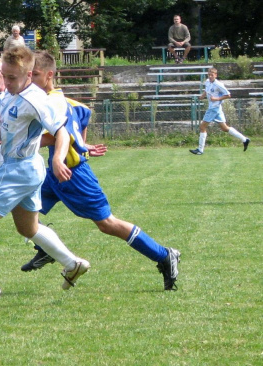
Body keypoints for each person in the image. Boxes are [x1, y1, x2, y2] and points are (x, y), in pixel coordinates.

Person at [21, 50, 181, 292]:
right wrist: (82, 144)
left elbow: (55, 136)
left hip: (73, 175)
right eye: (29, 74)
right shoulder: (61, 100)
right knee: (23, 212)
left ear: (49, 75)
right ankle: (46, 249)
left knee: (107, 224)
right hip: (55, 174)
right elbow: (84, 112)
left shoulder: (52, 102)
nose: (30, 79)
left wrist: (22, 141)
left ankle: (164, 255)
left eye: (35, 74)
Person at [0, 46, 89, 311]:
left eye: (11, 77)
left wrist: (57, 159)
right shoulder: (13, 94)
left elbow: (62, 131)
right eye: (4, 76)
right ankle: (72, 263)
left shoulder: (35, 99)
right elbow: (10, 129)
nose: (5, 82)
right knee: (28, 229)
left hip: (17, 170)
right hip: (27, 169)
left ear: (29, 74)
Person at [190, 67, 250, 155]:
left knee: (202, 127)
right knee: (225, 128)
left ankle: (200, 150)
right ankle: (245, 139)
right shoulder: (207, 82)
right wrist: (202, 96)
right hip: (217, 109)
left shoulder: (218, 84)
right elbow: (206, 91)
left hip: (214, 108)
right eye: (209, 75)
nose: (210, 76)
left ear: (216, 75)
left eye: (212, 75)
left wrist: (217, 98)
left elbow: (228, 95)